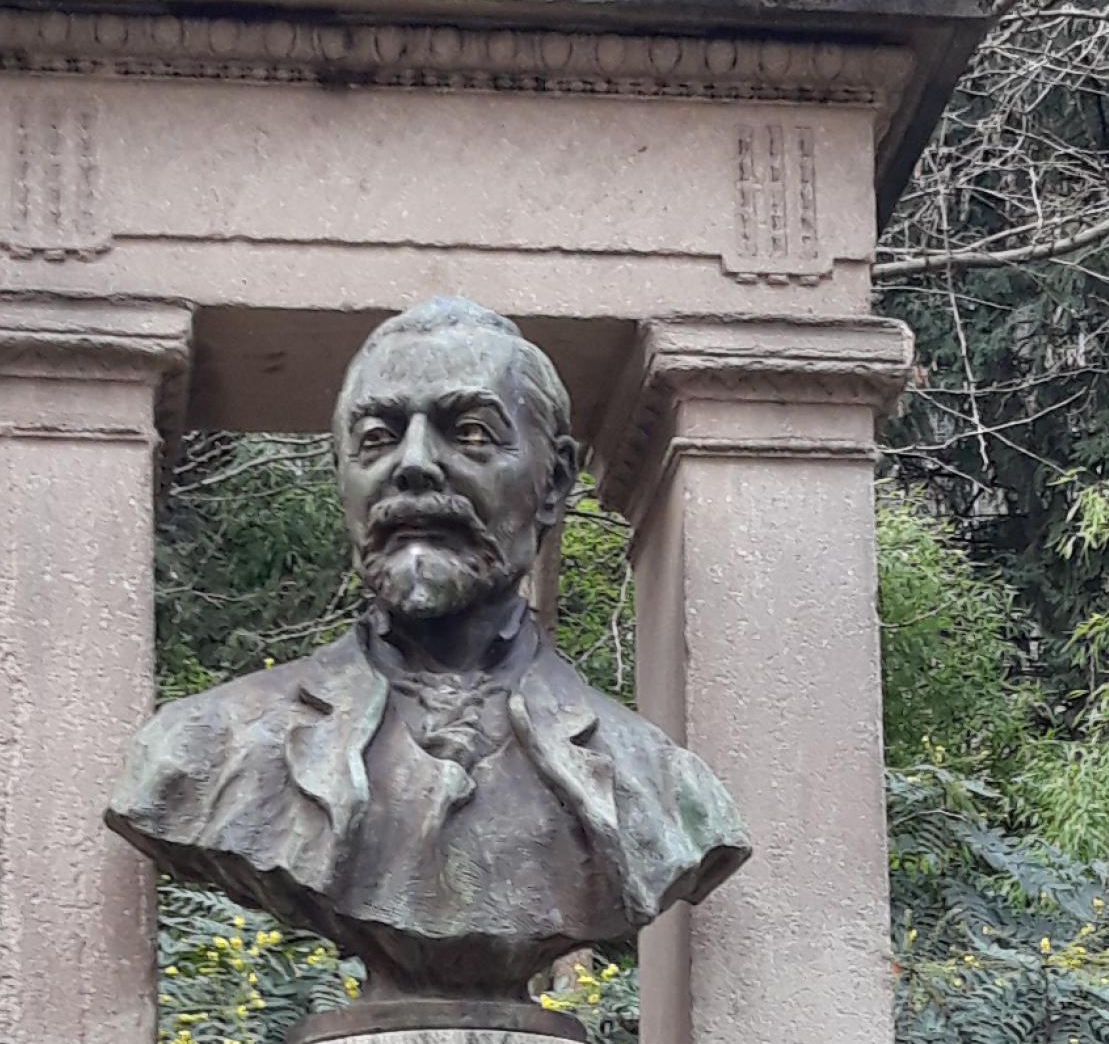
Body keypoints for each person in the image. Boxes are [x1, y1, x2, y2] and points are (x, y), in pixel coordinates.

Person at [107, 297, 748, 997]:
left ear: (555, 482)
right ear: (342, 477)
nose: (413, 466)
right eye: (378, 438)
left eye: (469, 433)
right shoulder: (204, 752)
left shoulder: (659, 786)